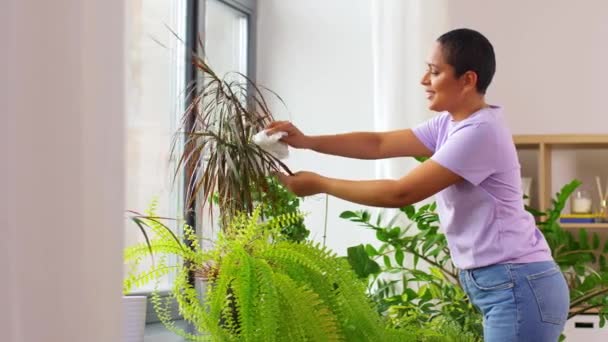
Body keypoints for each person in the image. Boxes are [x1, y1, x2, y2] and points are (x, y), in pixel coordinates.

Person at [267, 28, 569, 341]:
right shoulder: (451, 123)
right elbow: (379, 144)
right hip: (509, 284)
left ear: (468, 80)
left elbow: (402, 192)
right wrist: (308, 141)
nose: (424, 80)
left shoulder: (479, 133)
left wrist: (320, 183)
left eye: (435, 72)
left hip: (517, 285)